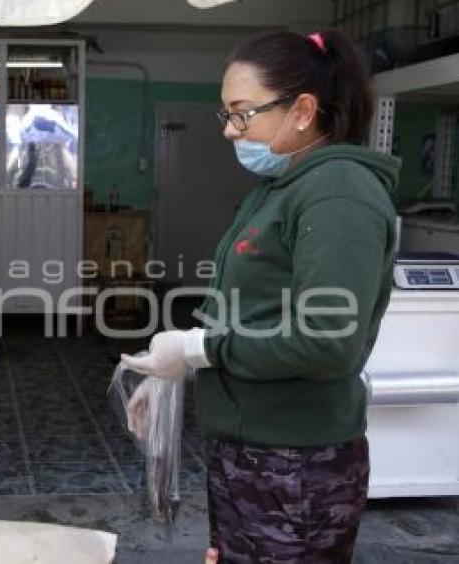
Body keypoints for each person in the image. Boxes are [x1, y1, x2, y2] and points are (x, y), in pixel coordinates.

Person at [122, 30, 398, 562]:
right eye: (225, 114)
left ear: (303, 110)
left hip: (296, 465)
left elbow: (326, 340)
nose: (229, 130)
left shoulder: (338, 191)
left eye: (242, 113)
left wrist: (200, 349)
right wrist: (176, 374)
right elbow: (253, 312)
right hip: (253, 452)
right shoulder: (279, 191)